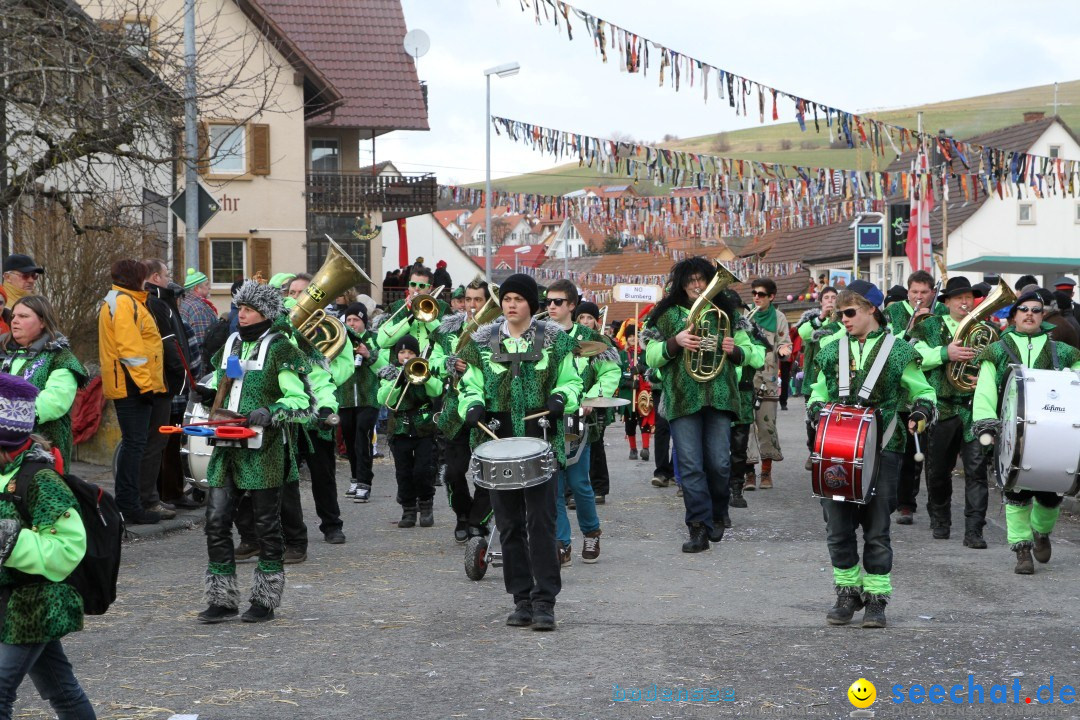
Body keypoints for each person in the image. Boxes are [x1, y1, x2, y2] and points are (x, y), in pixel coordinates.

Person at [807, 280, 936, 628]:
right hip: (836, 451)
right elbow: (816, 392)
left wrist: (922, 412)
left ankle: (877, 598)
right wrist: (817, 408)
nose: (843, 319)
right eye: (839, 314)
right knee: (837, 526)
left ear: (871, 310)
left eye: (849, 313)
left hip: (885, 449)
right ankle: (847, 591)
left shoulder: (899, 351)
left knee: (877, 528)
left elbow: (923, 391)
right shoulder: (832, 348)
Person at [458, 273, 582, 631]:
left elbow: (571, 380)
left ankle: (545, 601)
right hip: (498, 443)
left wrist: (561, 397)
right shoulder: (483, 342)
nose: (510, 305)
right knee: (509, 525)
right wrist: (473, 405)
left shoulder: (555, 341)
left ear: (532, 304)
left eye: (518, 299)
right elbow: (470, 384)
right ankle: (521, 599)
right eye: (506, 298)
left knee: (541, 524)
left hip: (539, 439)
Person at [196, 281, 313, 624]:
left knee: (266, 525)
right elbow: (225, 384)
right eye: (239, 308)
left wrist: (272, 409)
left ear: (264, 313)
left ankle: (265, 599)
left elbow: (302, 402)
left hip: (264, 449)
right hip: (226, 445)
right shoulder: (231, 343)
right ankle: (222, 598)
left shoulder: (280, 348)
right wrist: (208, 396)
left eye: (247, 309)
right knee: (216, 521)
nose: (240, 315)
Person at [0, 374, 95, 719]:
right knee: (62, 690)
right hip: (6, 602)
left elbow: (69, 550)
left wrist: (11, 541)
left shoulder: (40, 480)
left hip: (35, 604)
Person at [644, 258, 755, 552]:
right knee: (691, 466)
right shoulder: (665, 316)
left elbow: (755, 354)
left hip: (720, 396)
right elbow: (649, 356)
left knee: (719, 464)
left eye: (701, 280)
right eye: (690, 280)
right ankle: (697, 528)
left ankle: (718, 512)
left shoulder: (728, 314)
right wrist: (674, 342)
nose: (696, 285)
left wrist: (737, 351)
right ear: (681, 284)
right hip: (682, 398)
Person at [972, 288, 1080, 575]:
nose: (1030, 314)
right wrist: (985, 423)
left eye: (1035, 309)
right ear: (1014, 316)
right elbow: (984, 389)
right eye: (1024, 310)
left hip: (1052, 430)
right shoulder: (996, 350)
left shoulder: (1064, 351)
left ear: (1042, 316)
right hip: (1011, 430)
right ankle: (1021, 549)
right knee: (1016, 492)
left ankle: (1041, 532)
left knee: (1050, 494)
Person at [909, 277, 989, 546]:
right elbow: (914, 354)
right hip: (942, 407)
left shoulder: (984, 329)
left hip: (973, 409)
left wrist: (987, 378)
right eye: (958, 298)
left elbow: (996, 362)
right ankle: (940, 519)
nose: (965, 302)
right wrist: (945, 353)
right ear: (946, 302)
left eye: (968, 297)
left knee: (977, 471)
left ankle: (974, 530)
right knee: (938, 471)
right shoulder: (930, 326)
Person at [545, 282, 618, 565]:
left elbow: (610, 372)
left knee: (578, 482)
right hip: (546, 418)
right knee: (553, 483)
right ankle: (561, 542)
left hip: (576, 417)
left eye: (558, 302)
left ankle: (591, 531)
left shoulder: (588, 337)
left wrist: (592, 398)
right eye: (548, 301)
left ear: (572, 305)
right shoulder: (539, 335)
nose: (551, 306)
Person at [98, 259, 166, 525]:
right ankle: (129, 505)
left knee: (134, 444)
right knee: (134, 445)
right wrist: (145, 386)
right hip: (131, 386)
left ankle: (128, 503)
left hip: (130, 383)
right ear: (135, 278)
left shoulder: (126, 301)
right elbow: (131, 350)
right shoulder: (124, 303)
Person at [432, 278, 493, 541]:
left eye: (478, 300)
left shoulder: (498, 331)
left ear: (488, 302)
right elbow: (432, 360)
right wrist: (448, 362)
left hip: (486, 410)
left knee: (486, 472)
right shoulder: (447, 331)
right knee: (454, 472)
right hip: (455, 411)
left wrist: (472, 369)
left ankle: (478, 520)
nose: (471, 305)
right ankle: (462, 513)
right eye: (468, 299)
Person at [0, 297, 87, 466]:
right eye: (14, 316)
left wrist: (14, 416)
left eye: (24, 316)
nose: (15, 321)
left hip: (42, 446)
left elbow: (56, 400)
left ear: (42, 321)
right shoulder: (3, 352)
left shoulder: (60, 357)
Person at [881, 270, 935, 533]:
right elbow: (888, 348)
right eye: (914, 292)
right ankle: (886, 498)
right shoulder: (893, 314)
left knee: (915, 454)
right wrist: (911, 329)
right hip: (895, 396)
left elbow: (938, 354)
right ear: (908, 291)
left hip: (923, 397)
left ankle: (906, 504)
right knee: (890, 450)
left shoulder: (939, 318)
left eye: (924, 293)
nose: (919, 297)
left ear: (932, 293)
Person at [139, 260, 191, 520]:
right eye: (167, 275)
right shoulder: (156, 303)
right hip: (161, 384)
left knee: (157, 443)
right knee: (155, 443)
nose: (170, 280)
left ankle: (155, 496)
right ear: (156, 277)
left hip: (161, 382)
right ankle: (148, 499)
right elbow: (169, 344)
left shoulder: (158, 301)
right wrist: (182, 379)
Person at [377, 335, 442, 528]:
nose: (406, 356)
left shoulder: (425, 369)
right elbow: (383, 398)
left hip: (423, 427)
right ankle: (408, 509)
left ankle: (426, 504)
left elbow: (437, 391)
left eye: (411, 352)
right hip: (400, 428)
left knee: (423, 469)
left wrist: (425, 376)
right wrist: (397, 381)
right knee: (403, 472)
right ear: (397, 355)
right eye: (402, 352)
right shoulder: (390, 374)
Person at [743, 278, 791, 491]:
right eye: (754, 293)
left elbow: (785, 342)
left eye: (761, 294)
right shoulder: (747, 316)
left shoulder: (779, 317)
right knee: (746, 426)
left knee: (766, 425)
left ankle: (766, 472)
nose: (756, 297)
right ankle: (749, 474)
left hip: (768, 379)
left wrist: (784, 350)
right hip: (747, 378)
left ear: (771, 297)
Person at [722, 290, 767, 518]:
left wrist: (739, 352)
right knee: (719, 447)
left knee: (739, 446)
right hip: (719, 391)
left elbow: (759, 358)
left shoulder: (750, 329)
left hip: (742, 392)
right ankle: (720, 493)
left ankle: (736, 489)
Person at [339, 303, 385, 504]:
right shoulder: (341, 341)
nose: (352, 324)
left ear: (363, 322)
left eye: (355, 320)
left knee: (361, 438)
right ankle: (355, 478)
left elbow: (383, 367)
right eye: (348, 320)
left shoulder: (374, 340)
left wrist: (368, 354)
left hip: (369, 399)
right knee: (349, 441)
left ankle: (365, 482)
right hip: (346, 399)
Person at [795, 287, 843, 470]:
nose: (830, 300)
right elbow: (804, 334)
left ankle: (830, 451)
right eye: (827, 298)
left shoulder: (845, 320)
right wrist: (822, 317)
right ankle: (813, 449)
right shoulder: (812, 320)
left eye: (834, 297)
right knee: (812, 416)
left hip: (835, 376)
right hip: (813, 376)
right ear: (821, 301)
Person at [574, 303, 614, 506]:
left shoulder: (603, 342)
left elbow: (607, 374)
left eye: (589, 318)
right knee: (572, 445)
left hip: (596, 403)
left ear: (596, 322)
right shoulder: (571, 341)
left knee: (596, 445)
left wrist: (593, 398)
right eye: (581, 318)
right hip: (572, 401)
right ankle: (574, 489)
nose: (585, 322)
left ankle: (599, 488)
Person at [615, 322, 652, 461]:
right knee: (630, 423)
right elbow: (617, 376)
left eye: (635, 336)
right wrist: (628, 382)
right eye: (630, 336)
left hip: (643, 394)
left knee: (645, 422)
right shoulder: (622, 355)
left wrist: (643, 369)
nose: (632, 339)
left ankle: (646, 448)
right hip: (628, 395)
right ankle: (633, 449)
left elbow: (652, 371)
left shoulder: (645, 354)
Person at [178, 268, 219, 349]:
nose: (209, 287)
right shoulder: (198, 309)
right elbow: (203, 342)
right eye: (206, 284)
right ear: (197, 288)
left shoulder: (184, 302)